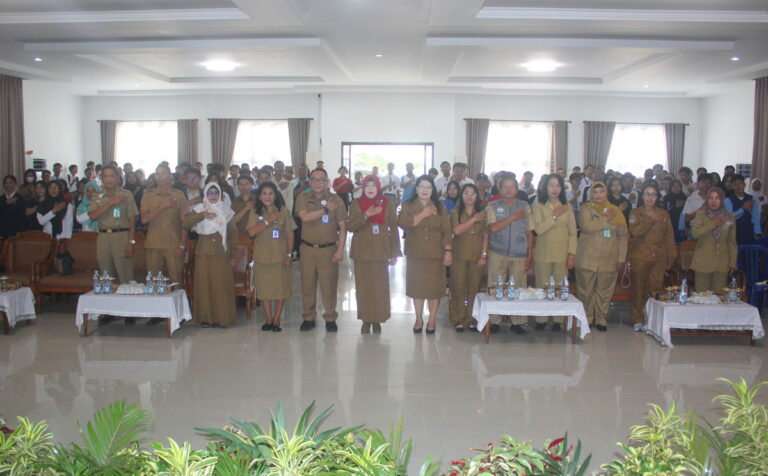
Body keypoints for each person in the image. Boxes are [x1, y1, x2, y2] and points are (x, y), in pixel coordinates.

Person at [295, 168, 347, 332]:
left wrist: (340, 250)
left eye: (321, 179)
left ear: (327, 182)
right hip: (307, 248)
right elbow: (305, 217)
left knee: (329, 286)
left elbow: (342, 227)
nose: (318, 183)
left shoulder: (336, 200)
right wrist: (326, 209)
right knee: (307, 285)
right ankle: (309, 317)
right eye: (314, 179)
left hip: (328, 249)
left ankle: (330, 317)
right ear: (310, 181)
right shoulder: (302, 197)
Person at [398, 175, 452, 335]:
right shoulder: (408, 205)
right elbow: (403, 224)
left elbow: (446, 231)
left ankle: (432, 319)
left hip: (436, 254)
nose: (424, 190)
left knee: (434, 289)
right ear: (416, 189)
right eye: (421, 186)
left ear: (433, 190)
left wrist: (448, 251)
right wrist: (423, 214)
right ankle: (418, 319)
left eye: (428, 187)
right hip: (415, 253)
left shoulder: (440, 207)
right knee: (417, 288)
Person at [348, 175, 402, 333]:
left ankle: (377, 319)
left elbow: (394, 229)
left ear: (378, 187)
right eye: (367, 185)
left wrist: (394, 253)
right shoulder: (356, 203)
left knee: (379, 286)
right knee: (363, 286)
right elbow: (351, 226)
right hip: (362, 250)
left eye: (373, 185)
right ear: (363, 187)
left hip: (381, 250)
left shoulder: (387, 204)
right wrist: (367, 214)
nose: (370, 188)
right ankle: (366, 319)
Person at [88, 166, 139, 326]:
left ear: (117, 178)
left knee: (125, 275)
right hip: (103, 236)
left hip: (121, 235)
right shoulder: (97, 195)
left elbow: (132, 220)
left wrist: (131, 242)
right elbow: (92, 216)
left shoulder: (126, 194)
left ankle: (130, 312)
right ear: (102, 178)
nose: (109, 179)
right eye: (105, 176)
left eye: (112, 176)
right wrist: (111, 202)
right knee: (106, 275)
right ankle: (108, 311)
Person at [575, 181, 628, 332]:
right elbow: (586, 227)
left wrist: (621, 258)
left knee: (604, 291)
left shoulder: (616, 211)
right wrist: (605, 219)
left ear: (606, 193)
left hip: (609, 258)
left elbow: (623, 237)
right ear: (590, 194)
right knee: (585, 290)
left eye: (601, 191)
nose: (598, 195)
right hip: (587, 258)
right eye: (595, 192)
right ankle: (587, 317)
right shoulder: (586, 209)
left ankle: (601, 318)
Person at [182, 183, 237, 327]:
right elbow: (185, 224)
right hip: (203, 252)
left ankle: (222, 318)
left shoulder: (226, 210)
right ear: (205, 194)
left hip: (221, 252)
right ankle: (206, 318)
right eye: (210, 193)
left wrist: (233, 255)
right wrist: (202, 215)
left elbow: (233, 235)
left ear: (220, 195)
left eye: (216, 193)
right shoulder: (199, 209)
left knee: (220, 285)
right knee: (204, 285)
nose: (213, 196)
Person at [485, 176, 533, 334]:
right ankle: (494, 320)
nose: (508, 190)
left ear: (517, 189)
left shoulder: (524, 206)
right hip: (497, 252)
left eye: (512, 186)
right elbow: (493, 228)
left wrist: (529, 256)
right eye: (505, 186)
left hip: (519, 254)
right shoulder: (492, 206)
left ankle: (517, 321)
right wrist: (513, 217)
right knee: (496, 287)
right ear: (500, 189)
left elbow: (530, 233)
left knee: (518, 289)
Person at [246, 181, 296, 332]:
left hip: (280, 258)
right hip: (262, 258)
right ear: (260, 197)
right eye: (264, 194)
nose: (267, 197)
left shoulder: (283, 211)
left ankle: (277, 319)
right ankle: (268, 318)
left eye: (271, 193)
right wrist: (268, 220)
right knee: (264, 291)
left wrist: (289, 255)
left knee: (281, 290)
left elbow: (290, 234)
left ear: (275, 195)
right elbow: (251, 232)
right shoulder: (255, 212)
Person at [627, 184, 677, 332]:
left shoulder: (664, 214)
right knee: (639, 289)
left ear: (657, 197)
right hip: (640, 256)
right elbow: (635, 231)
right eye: (647, 194)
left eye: (653, 194)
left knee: (655, 288)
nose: (650, 197)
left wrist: (672, 255)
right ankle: (638, 318)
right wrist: (650, 220)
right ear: (642, 196)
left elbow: (669, 236)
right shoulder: (635, 213)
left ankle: (652, 319)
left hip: (659, 257)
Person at [531, 174, 577, 331]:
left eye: (558, 185)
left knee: (560, 287)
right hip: (543, 253)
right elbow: (538, 229)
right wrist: (555, 216)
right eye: (551, 185)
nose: (555, 189)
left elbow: (573, 233)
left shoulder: (567, 207)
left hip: (562, 254)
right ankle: (541, 319)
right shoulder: (539, 206)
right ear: (545, 187)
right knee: (542, 287)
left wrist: (572, 254)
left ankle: (558, 319)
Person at [140, 164, 188, 288]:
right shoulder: (148, 195)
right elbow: (144, 219)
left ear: (170, 176)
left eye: (163, 173)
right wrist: (163, 206)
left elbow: (185, 222)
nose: (160, 177)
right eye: (157, 174)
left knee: (176, 281)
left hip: (173, 244)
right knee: (153, 283)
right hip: (153, 244)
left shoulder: (179, 195)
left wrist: (182, 245)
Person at [449, 183, 486, 332]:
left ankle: (471, 318)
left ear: (476, 196)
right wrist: (473, 220)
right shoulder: (455, 212)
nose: (469, 196)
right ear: (461, 196)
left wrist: (484, 255)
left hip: (477, 255)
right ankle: (458, 318)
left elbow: (486, 236)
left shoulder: (482, 213)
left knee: (473, 288)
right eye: (466, 193)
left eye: (472, 193)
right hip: (459, 254)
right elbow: (457, 231)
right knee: (457, 286)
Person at [690, 187, 737, 292]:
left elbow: (732, 242)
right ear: (707, 200)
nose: (713, 201)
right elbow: (695, 234)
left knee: (719, 296)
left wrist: (733, 263)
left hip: (722, 263)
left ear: (722, 200)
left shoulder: (729, 218)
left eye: (717, 198)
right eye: (710, 198)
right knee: (701, 296)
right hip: (703, 263)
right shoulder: (701, 214)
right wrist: (713, 224)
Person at [725, 174, 761, 246]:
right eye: (735, 184)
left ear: (744, 184)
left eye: (740, 183)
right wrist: (743, 208)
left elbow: (756, 216)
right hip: (733, 233)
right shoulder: (727, 200)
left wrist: (757, 231)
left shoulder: (752, 199)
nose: (738, 187)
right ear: (731, 186)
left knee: (749, 252)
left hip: (749, 232)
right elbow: (729, 217)